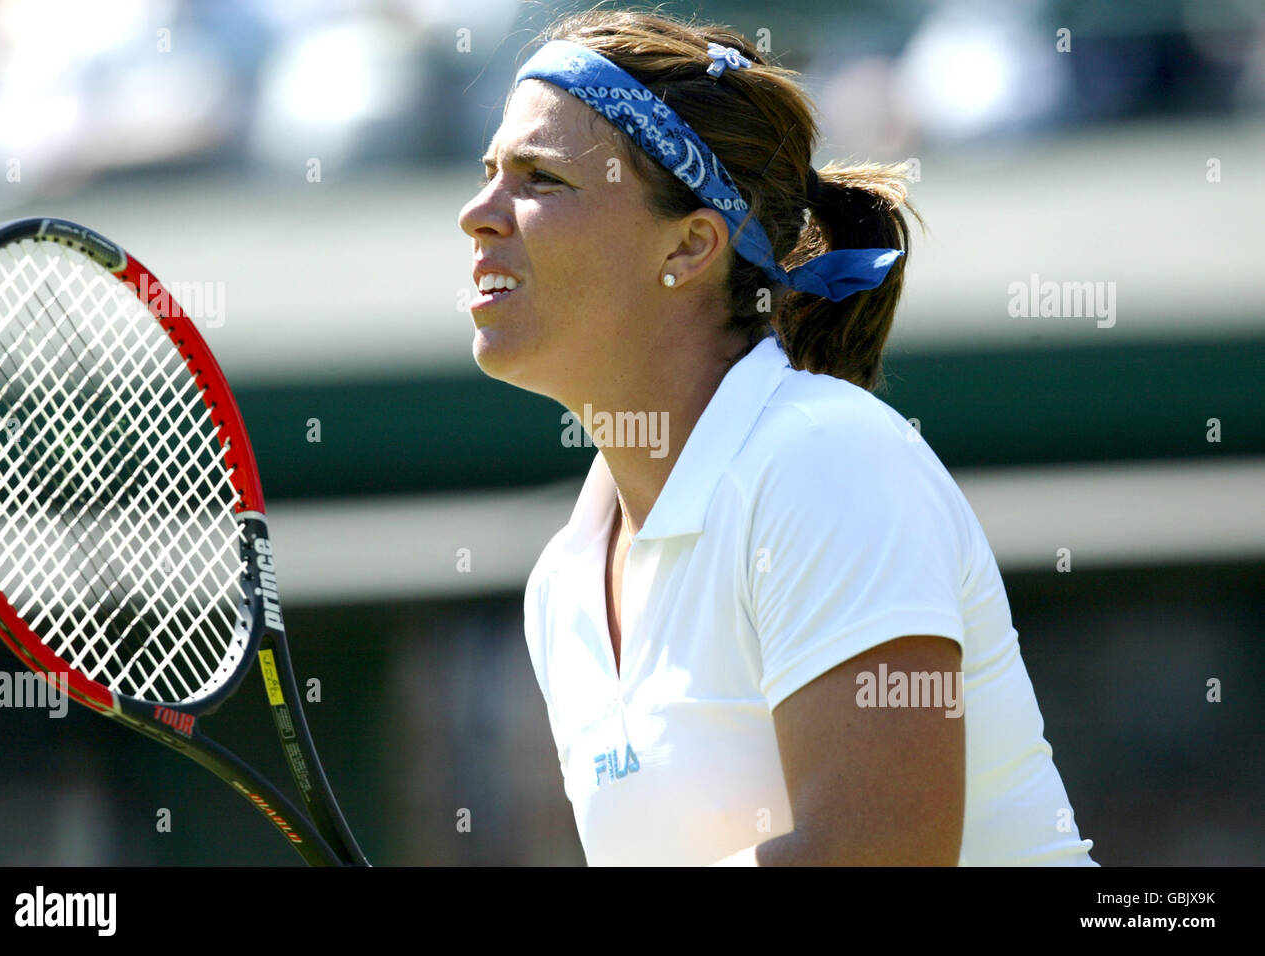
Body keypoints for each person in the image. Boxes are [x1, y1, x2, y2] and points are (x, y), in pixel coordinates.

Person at [458, 7, 1097, 866]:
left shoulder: (824, 463)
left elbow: (880, 857)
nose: (478, 212)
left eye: (540, 178)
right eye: (489, 170)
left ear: (689, 247)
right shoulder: (563, 586)